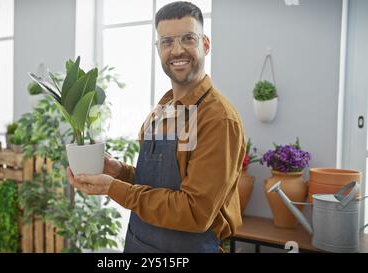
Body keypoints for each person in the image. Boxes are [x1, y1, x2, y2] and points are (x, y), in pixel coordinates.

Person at [67, 1, 245, 253]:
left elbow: (195, 212)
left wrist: (112, 187)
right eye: (167, 42)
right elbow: (155, 185)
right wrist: (118, 172)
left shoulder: (218, 119)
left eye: (188, 38)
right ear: (158, 49)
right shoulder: (161, 111)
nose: (177, 50)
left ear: (205, 44)